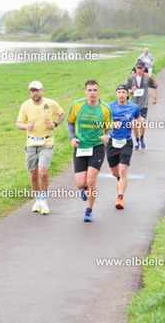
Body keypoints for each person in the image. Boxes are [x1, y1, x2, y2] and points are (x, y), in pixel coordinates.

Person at [16, 80, 66, 215]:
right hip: (31, 144)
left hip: (46, 143)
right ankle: (37, 199)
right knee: (33, 174)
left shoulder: (50, 103)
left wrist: (55, 124)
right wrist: (26, 126)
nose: (35, 93)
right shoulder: (25, 105)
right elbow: (18, 123)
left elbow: (62, 114)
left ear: (42, 91)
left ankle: (43, 200)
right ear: (29, 92)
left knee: (43, 172)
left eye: (37, 90)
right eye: (33, 91)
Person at [67, 79, 113, 222]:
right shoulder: (77, 105)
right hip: (81, 147)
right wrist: (72, 138)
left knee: (91, 180)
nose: (92, 93)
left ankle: (89, 210)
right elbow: (70, 122)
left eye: (95, 90)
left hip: (97, 147)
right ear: (85, 92)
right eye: (90, 90)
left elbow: (109, 127)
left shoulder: (105, 108)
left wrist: (107, 135)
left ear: (98, 91)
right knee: (81, 183)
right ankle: (85, 188)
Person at [107, 85, 144, 209]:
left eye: (124, 92)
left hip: (126, 142)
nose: (121, 94)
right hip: (112, 142)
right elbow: (102, 122)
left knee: (123, 169)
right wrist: (112, 124)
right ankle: (118, 179)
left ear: (127, 94)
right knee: (115, 172)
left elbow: (139, 119)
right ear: (116, 94)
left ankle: (120, 197)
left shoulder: (134, 107)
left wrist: (136, 123)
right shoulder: (109, 107)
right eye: (119, 92)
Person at [124, 62, 158, 151]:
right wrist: (131, 90)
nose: (139, 70)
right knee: (134, 124)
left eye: (140, 68)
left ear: (143, 68)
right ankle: (137, 141)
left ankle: (142, 138)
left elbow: (155, 86)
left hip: (143, 104)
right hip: (133, 105)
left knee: (142, 123)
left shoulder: (148, 77)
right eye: (137, 68)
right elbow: (124, 90)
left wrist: (154, 98)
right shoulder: (131, 78)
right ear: (135, 68)